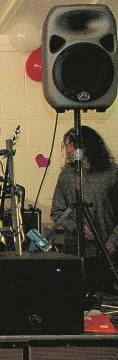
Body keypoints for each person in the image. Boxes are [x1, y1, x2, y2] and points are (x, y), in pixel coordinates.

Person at [46, 125, 118, 292]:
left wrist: (113, 240)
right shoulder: (66, 175)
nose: (68, 149)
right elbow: (56, 212)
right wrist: (77, 226)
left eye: (71, 144)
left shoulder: (112, 173)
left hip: (108, 253)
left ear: (87, 145)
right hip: (76, 252)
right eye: (66, 145)